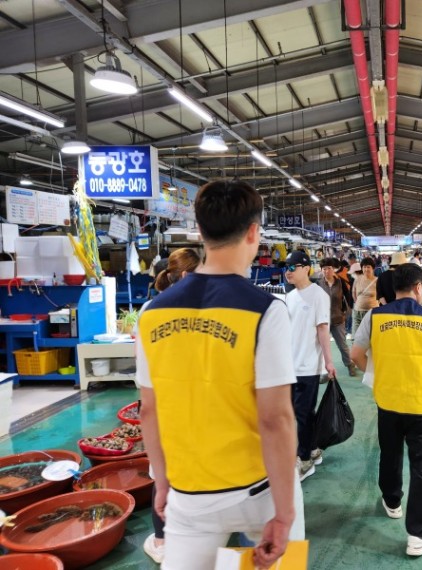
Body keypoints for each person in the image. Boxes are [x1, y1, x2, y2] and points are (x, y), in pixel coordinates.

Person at [137, 179, 304, 570]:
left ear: (200, 231)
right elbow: (275, 418)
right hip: (258, 492)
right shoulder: (266, 311)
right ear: (253, 232)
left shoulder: (152, 313)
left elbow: (149, 411)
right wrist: (283, 513)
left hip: (188, 495)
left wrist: (162, 483)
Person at [350, 263, 422, 557]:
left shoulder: (375, 316)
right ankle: (418, 535)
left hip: (389, 401)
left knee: (390, 451)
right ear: (419, 287)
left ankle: (392, 502)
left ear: (394, 288)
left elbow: (356, 355)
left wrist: (378, 375)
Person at [142, 247, 201, 565]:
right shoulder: (201, 311)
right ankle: (172, 536)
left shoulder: (149, 311)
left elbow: (144, 377)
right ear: (188, 276)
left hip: (164, 405)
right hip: (187, 406)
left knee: (161, 474)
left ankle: (164, 539)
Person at [284, 250, 337, 481]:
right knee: (301, 412)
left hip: (308, 366)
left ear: (306, 268)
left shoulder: (318, 295)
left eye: (292, 268)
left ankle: (304, 459)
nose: (288, 273)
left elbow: (323, 329)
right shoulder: (290, 296)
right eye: (286, 268)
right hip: (290, 364)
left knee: (303, 414)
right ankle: (313, 448)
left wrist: (328, 361)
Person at [316, 258, 357, 376]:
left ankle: (349, 364)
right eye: (324, 269)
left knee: (342, 345)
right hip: (322, 321)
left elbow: (348, 297)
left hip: (338, 319)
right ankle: (324, 370)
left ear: (333, 269)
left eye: (329, 268)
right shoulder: (318, 284)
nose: (327, 271)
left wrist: (346, 312)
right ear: (321, 270)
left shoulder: (340, 282)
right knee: (321, 346)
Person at [352, 257, 378, 336]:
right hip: (357, 312)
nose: (366, 269)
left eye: (368, 267)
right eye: (364, 267)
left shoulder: (377, 281)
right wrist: (359, 302)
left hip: (371, 313)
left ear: (373, 268)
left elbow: (380, 296)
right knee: (356, 336)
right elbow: (354, 293)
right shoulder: (357, 279)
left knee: (371, 336)